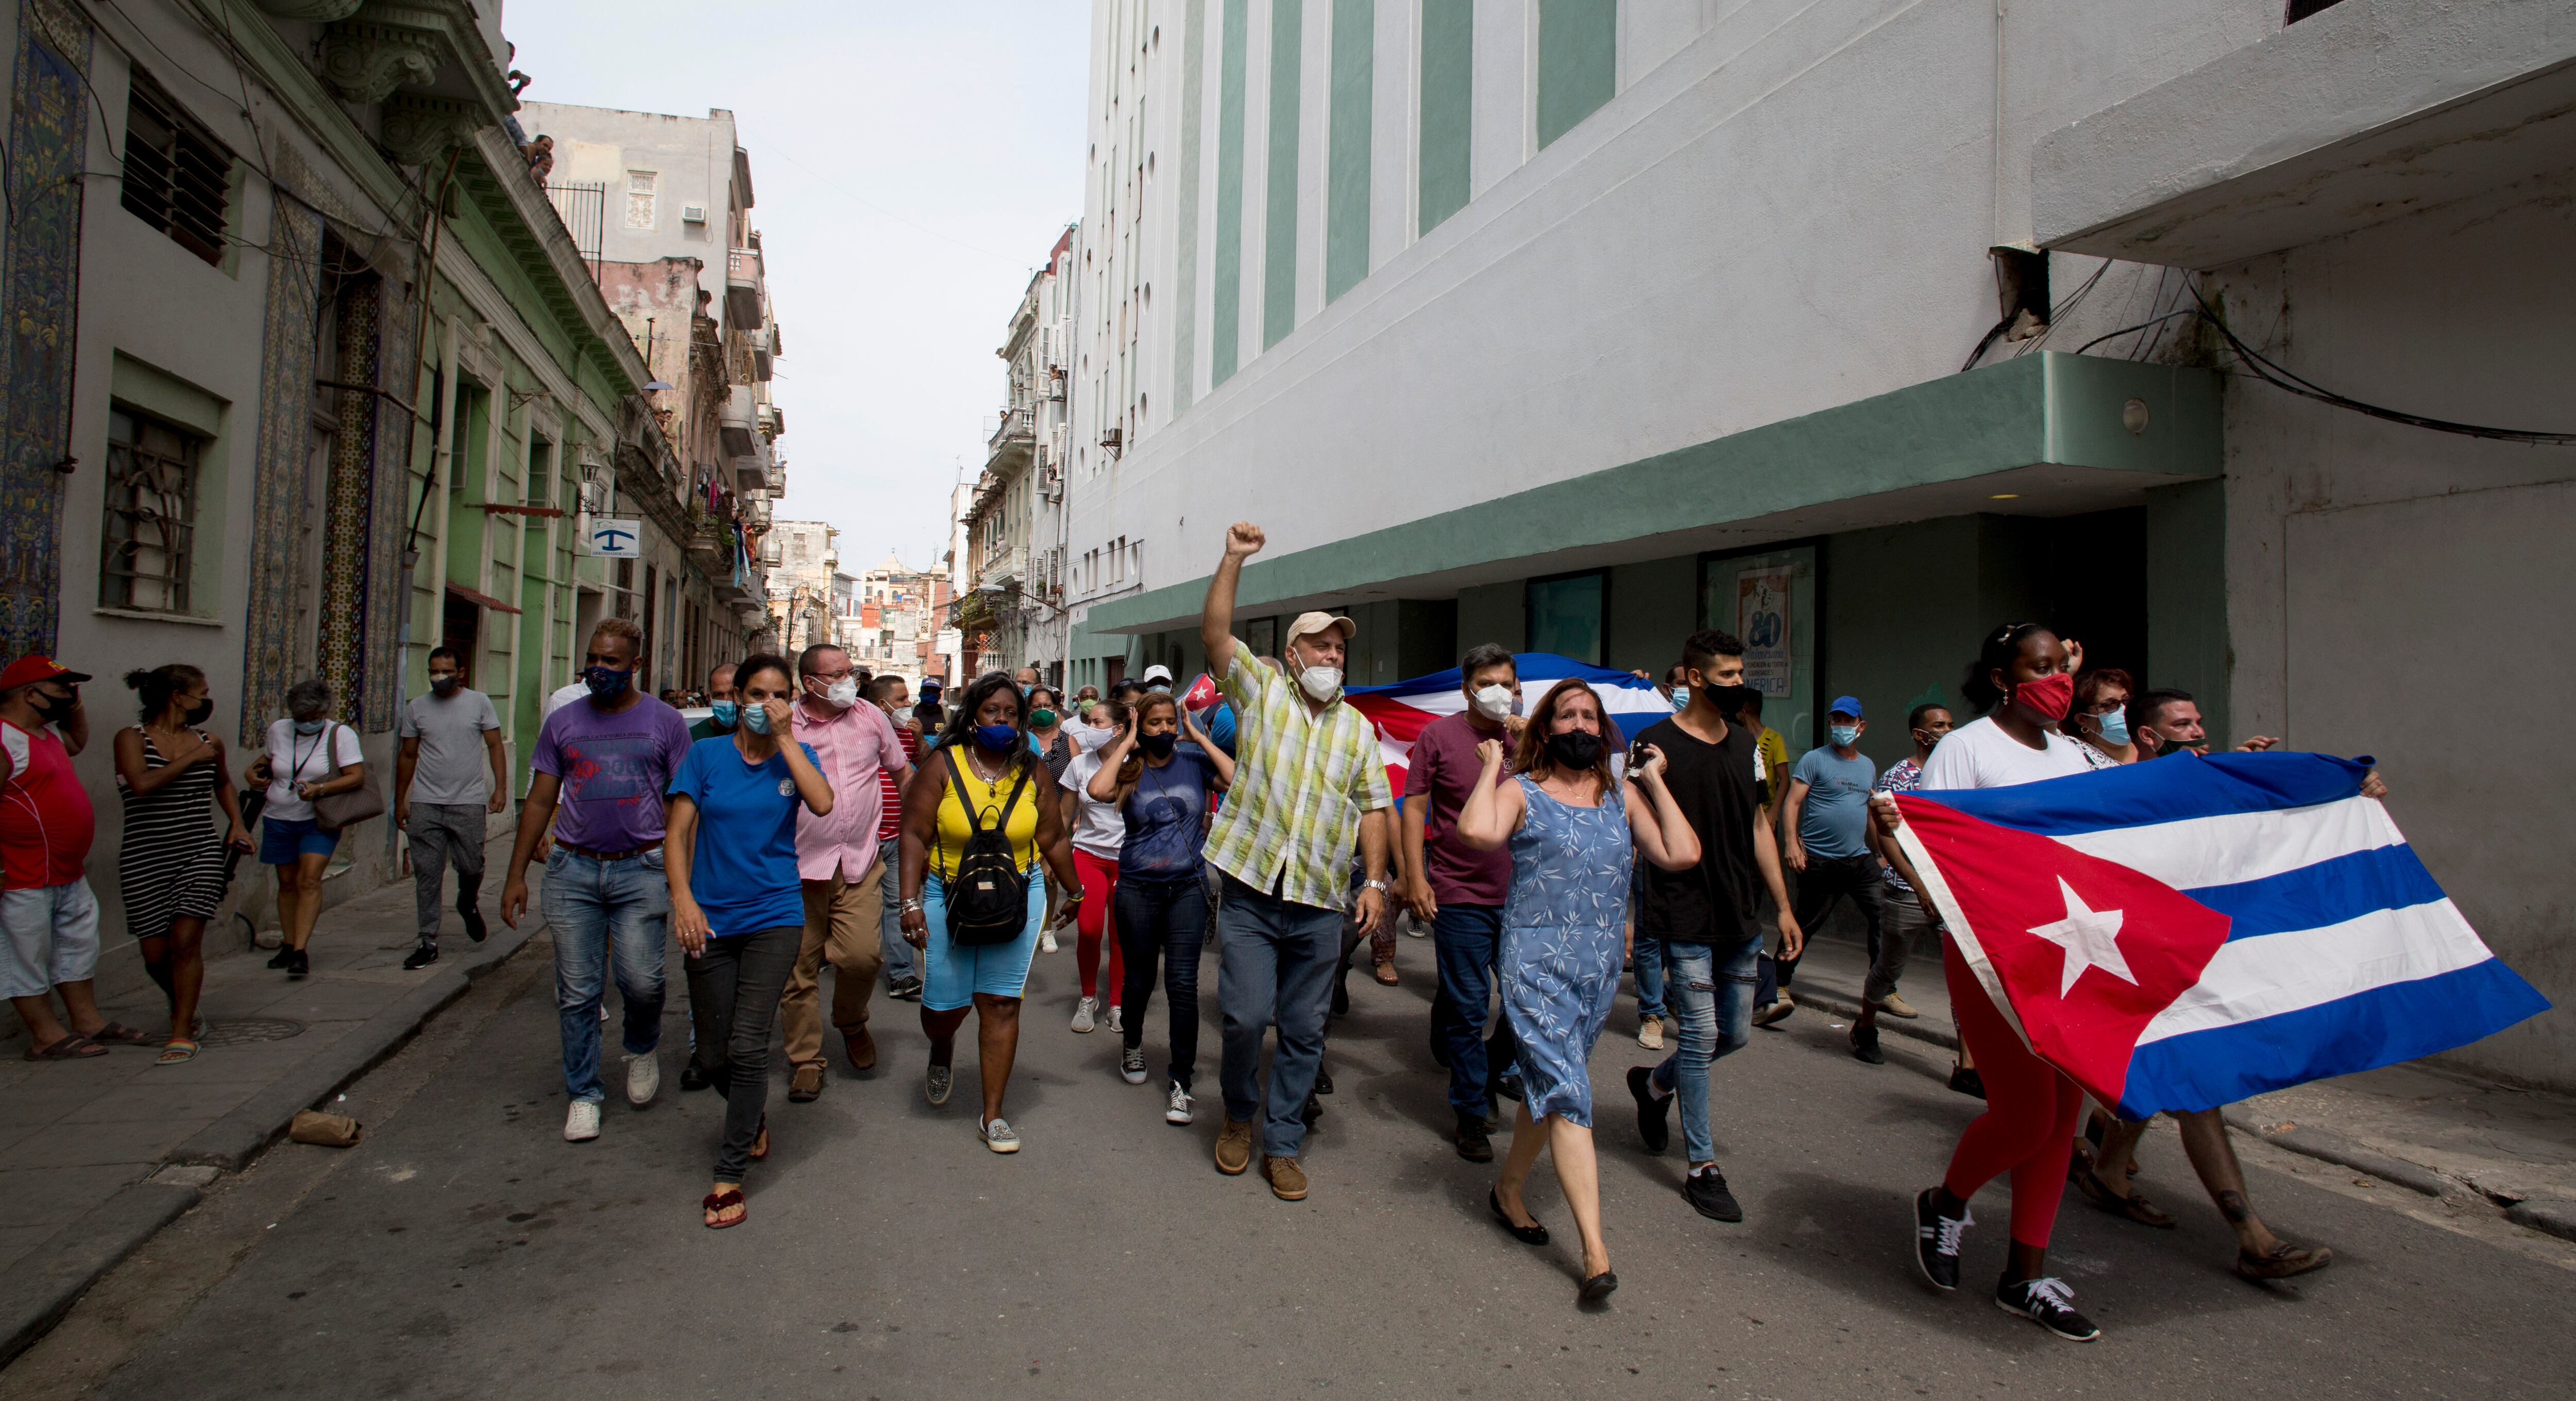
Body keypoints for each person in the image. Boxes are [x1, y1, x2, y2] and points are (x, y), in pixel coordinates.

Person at [2054, 686, 2329, 1283]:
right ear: (2149, 737)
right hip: (2134, 964)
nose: (2197, 730)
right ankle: (2252, 1237)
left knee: (2154, 1073)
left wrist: (2343, 792)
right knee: (2195, 1089)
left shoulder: (2210, 781)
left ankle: (2107, 1171)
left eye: (2199, 720)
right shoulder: (2121, 795)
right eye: (2182, 723)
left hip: (2191, 963)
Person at [1879, 621, 2105, 1341]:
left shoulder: (2074, 755)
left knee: (2063, 1120)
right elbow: (1935, 846)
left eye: (2063, 666)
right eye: (2040, 668)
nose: (2058, 681)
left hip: (2074, 954)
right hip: (1993, 954)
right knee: (2027, 1115)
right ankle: (1946, 1202)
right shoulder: (1965, 749)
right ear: (2004, 678)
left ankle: (2026, 1277)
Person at [1455, 678, 1700, 1305]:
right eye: (1567, 715)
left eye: (1590, 716)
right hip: (1533, 960)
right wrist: (1491, 767)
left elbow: (1681, 851)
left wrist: (1654, 781)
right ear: (1545, 728)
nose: (1580, 725)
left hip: (1594, 970)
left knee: (1548, 1084)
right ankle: (1595, 1252)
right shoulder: (1521, 791)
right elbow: (1478, 832)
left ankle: (1508, 1190)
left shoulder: (1620, 796)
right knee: (1567, 1090)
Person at [1197, 523, 1395, 1202]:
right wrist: (1233, 559)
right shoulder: (1261, 690)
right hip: (1253, 892)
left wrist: (1374, 880)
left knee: (1307, 1028)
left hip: (1318, 902)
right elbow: (1217, 635)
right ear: (1292, 653)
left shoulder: (1358, 729)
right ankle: (1238, 1114)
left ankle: (1282, 1142)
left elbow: (1375, 807)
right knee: (1248, 1017)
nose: (1333, 655)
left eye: (1341, 647)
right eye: (1321, 644)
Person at [1622, 630, 1801, 1224]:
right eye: (1726, 674)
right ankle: (1701, 1166)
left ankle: (1653, 1087)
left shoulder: (1746, 742)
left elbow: (1757, 826)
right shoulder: (1652, 743)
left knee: (1736, 1033)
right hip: (1682, 914)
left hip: (1739, 916)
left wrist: (1782, 907)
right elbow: (1631, 829)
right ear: (1696, 678)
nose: (1738, 684)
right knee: (1698, 1036)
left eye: (1739, 673)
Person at [500, 618, 692, 1144]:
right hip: (573, 870)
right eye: (592, 658)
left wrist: (685, 885)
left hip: (642, 868)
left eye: (611, 661)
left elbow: (684, 803)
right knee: (578, 990)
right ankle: (583, 1092)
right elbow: (541, 798)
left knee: (642, 981)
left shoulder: (666, 721)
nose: (599, 668)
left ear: (635, 665)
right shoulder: (564, 723)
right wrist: (515, 874)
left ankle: (641, 1044)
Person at [665, 654, 833, 1227]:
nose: (767, 705)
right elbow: (677, 832)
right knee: (712, 1055)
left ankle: (729, 1170)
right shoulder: (704, 754)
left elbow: (823, 802)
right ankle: (749, 1114)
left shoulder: (797, 754)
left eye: (779, 694)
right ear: (736, 697)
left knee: (747, 1044)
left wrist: (787, 738)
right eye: (756, 694)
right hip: (709, 918)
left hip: (773, 913)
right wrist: (683, 899)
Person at [895, 673, 1084, 1153]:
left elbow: (1054, 839)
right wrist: (911, 900)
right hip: (946, 895)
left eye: (1011, 714)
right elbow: (914, 835)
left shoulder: (1033, 770)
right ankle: (942, 1047)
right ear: (973, 716)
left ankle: (993, 1114)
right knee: (946, 1007)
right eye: (991, 712)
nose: (1002, 720)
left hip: (1016, 896)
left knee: (1000, 1003)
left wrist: (1075, 890)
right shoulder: (943, 764)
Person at [1400, 643, 1528, 1161]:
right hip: (1458, 892)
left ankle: (1491, 1064)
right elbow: (1413, 807)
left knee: (1525, 1004)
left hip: (1523, 895)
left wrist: (1529, 734)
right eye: (1488, 682)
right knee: (1473, 1004)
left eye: (1507, 682)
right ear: (1467, 688)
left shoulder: (1528, 740)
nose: (1499, 692)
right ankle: (1471, 1109)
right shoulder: (1438, 737)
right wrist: (1415, 876)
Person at [1088, 690, 1232, 1121]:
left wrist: (1197, 736)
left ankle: (1180, 1081)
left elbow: (1239, 781)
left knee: (1183, 986)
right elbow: (1097, 788)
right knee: (1140, 980)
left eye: (1171, 721)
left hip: (1188, 888)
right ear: (1141, 726)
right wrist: (1129, 741)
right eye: (1156, 723)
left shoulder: (1193, 762)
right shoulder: (1129, 768)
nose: (1165, 730)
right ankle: (1132, 1044)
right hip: (1138, 889)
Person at [777, 643, 909, 1102]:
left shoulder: (870, 716)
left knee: (861, 958)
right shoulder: (786, 726)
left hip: (859, 861)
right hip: (795, 868)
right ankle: (806, 1060)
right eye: (836, 675)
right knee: (799, 971)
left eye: (850, 672)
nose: (847, 681)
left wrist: (918, 831)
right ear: (809, 684)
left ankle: (851, 1020)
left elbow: (902, 772)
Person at [112, 665, 252, 1062]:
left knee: (186, 942)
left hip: (198, 852)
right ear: (178, 695)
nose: (207, 700)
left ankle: (181, 1030)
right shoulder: (131, 739)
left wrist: (236, 825)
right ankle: (183, 1001)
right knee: (155, 956)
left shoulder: (209, 742)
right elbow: (141, 785)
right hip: (144, 858)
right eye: (202, 692)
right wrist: (193, 757)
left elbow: (222, 782)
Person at [4, 656, 140, 1060]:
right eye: (64, 689)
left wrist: (75, 706)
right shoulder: (3, 738)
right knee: (24, 955)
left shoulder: (46, 735)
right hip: (21, 875)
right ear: (31, 694)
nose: (71, 696)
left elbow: (77, 741)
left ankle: (87, 1021)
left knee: (77, 947)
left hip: (66, 872)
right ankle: (45, 1036)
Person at [1848, 704, 1951, 1066]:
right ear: (1919, 734)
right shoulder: (1900, 777)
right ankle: (1865, 1026)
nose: (1948, 731)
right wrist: (1915, 880)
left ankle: (1969, 1065)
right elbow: (1883, 831)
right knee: (1889, 968)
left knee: (1964, 976)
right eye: (1939, 725)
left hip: (1950, 892)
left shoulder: (1958, 774)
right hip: (1907, 889)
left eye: (1951, 725)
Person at [1767, 697, 1880, 1024]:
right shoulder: (1815, 760)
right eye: (1836, 720)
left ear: (1861, 726)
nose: (1841, 726)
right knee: (1805, 925)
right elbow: (1792, 804)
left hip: (1859, 860)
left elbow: (1869, 812)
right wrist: (1791, 844)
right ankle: (1779, 982)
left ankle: (1883, 986)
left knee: (1884, 918)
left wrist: (1882, 852)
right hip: (1820, 861)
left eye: (1848, 721)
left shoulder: (1868, 766)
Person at [393, 648, 506, 971]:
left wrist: (499, 788)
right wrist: (401, 799)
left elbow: (495, 745)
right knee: (427, 874)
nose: (439, 677)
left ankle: (467, 901)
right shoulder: (417, 708)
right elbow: (408, 756)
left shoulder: (479, 702)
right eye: (433, 671)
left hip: (468, 802)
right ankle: (428, 940)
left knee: (472, 866)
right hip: (426, 803)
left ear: (461, 672)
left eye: (445, 671)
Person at [248, 679, 368, 982]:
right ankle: (288, 945)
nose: (308, 723)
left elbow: (355, 777)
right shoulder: (279, 730)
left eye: (315, 717)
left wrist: (320, 789)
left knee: (310, 879)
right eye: (302, 719)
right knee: (287, 883)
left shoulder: (341, 735)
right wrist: (252, 772)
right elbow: (268, 760)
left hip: (319, 819)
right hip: (278, 817)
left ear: (323, 712)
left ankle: (301, 951)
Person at [1056, 695, 1128, 1034]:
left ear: (1118, 729)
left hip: (1128, 862)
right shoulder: (1079, 765)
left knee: (1119, 934)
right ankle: (1088, 997)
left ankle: (1116, 1004)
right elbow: (1065, 815)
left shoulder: (1136, 763)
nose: (1089, 729)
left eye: (1097, 723)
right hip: (1087, 855)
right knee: (1087, 930)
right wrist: (1050, 854)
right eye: (1089, 722)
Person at [866, 674, 925, 1002]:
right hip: (862, 840)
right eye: (902, 700)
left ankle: (901, 975)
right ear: (882, 705)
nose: (908, 705)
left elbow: (927, 769)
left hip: (897, 836)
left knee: (899, 904)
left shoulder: (906, 734)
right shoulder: (861, 733)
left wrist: (918, 740)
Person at [1025, 685, 1074, 948]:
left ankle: (1046, 930)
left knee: (1049, 875)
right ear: (1029, 711)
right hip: (1024, 816)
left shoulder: (1068, 741)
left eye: (1048, 706)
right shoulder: (1021, 740)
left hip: (1057, 817)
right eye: (1037, 707)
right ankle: (1023, 925)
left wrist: (1077, 816)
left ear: (1056, 708)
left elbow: (1077, 782)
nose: (1043, 711)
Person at [2069, 668, 2136, 768]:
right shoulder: (2075, 756)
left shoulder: (2147, 740)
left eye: (2126, 700)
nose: (2124, 709)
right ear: (2082, 719)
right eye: (2110, 704)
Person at [686, 661, 739, 742]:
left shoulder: (759, 737)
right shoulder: (691, 737)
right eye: (719, 695)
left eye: (732, 694)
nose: (726, 700)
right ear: (710, 699)